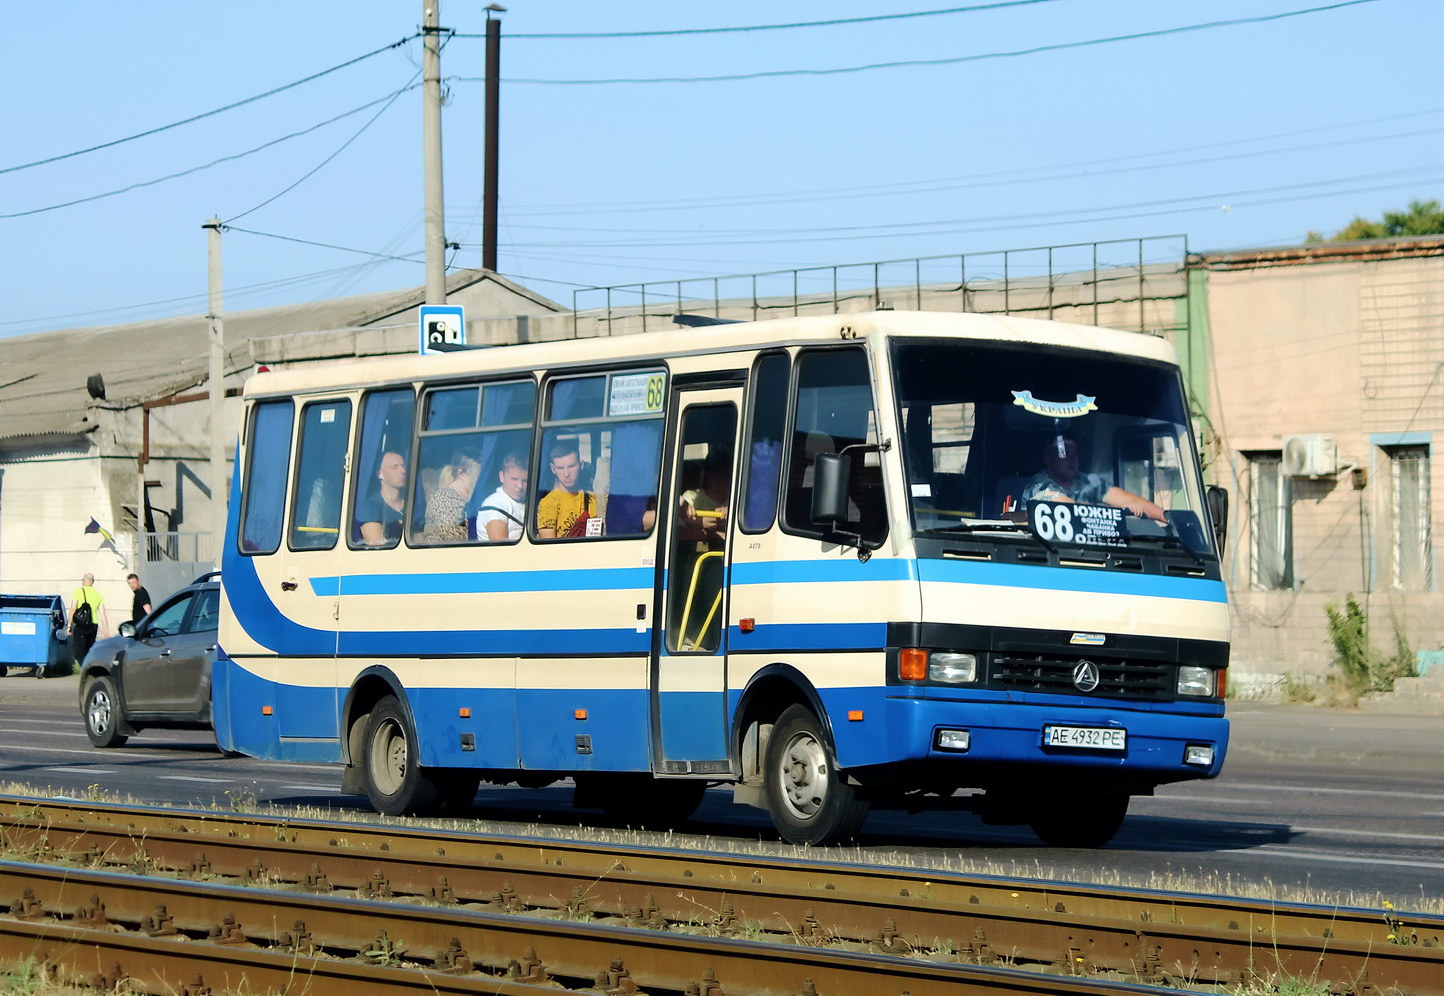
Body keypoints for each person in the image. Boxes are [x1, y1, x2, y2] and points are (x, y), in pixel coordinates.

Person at [1021, 434, 1166, 521]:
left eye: (1075, 455)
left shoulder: (1087, 481)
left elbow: (1127, 499)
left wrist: (1164, 516)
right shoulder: (1038, 486)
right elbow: (1072, 510)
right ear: (1048, 459)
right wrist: (1121, 511)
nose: (1072, 460)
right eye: (1064, 455)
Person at [536, 439, 598, 538]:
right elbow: (548, 546)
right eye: (560, 468)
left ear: (581, 465)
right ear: (553, 469)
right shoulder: (548, 504)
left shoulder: (594, 499)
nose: (566, 474)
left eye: (571, 466)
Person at [424, 449, 481, 543]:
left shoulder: (469, 498)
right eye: (478, 472)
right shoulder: (444, 500)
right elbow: (454, 538)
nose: (480, 477)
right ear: (461, 473)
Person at [357, 450, 407, 546]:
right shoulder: (370, 507)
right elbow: (376, 545)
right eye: (395, 467)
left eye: (403, 466)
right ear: (380, 474)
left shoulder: (412, 506)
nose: (403, 471)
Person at [476, 452, 529, 542]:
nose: (520, 486)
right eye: (514, 479)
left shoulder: (528, 502)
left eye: (525, 480)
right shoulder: (495, 504)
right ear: (502, 476)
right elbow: (501, 548)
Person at [68, 573, 109, 664]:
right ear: (92, 582)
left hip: (81, 625)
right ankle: (90, 667)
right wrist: (106, 630)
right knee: (89, 649)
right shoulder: (98, 595)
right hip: (93, 625)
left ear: (84, 581)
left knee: (78, 650)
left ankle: (86, 668)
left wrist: (69, 625)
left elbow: (73, 608)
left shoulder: (78, 591)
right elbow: (102, 614)